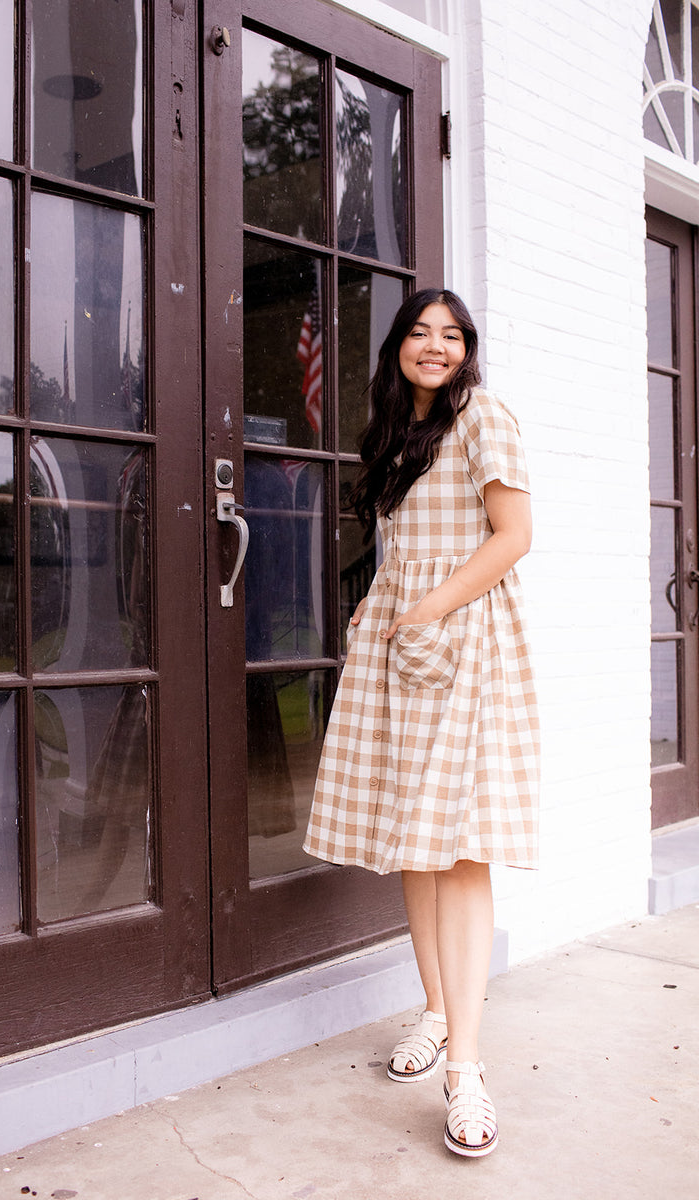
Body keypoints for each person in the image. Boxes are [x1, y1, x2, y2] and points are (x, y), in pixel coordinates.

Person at [303, 287, 539, 1158]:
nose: (434, 347)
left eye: (451, 335)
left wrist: (428, 608)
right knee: (415, 839)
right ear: (398, 346)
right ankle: (435, 1013)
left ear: (466, 347)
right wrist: (379, 605)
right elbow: (401, 545)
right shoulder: (396, 433)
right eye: (419, 332)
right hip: (403, 643)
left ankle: (467, 1068)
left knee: (462, 842)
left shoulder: (484, 414)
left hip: (467, 639)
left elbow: (511, 536)